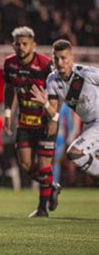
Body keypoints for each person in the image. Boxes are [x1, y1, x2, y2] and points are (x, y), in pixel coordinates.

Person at [3, 26, 60, 218]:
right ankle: (50, 185)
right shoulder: (9, 64)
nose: (21, 47)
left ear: (33, 45)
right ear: (13, 45)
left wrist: (53, 118)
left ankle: (42, 208)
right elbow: (9, 89)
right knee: (26, 165)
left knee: (44, 165)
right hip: (24, 122)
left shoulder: (45, 65)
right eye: (18, 44)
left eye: (25, 44)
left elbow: (55, 94)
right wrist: (8, 113)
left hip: (45, 122)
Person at [31, 39, 99, 178]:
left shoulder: (86, 73)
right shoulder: (52, 81)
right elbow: (54, 115)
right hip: (89, 124)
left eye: (64, 58)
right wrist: (46, 104)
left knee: (74, 153)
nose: (60, 63)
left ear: (71, 59)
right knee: (82, 159)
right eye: (56, 59)